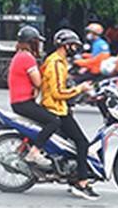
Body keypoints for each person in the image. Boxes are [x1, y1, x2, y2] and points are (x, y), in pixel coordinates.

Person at [41, 29, 99, 199]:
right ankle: (81, 183)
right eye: (73, 45)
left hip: (58, 107)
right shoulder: (56, 64)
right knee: (82, 143)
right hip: (56, 109)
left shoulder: (58, 61)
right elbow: (58, 92)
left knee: (72, 143)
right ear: (65, 45)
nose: (75, 48)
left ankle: (71, 175)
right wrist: (79, 89)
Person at [8, 24, 60, 168]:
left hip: (20, 102)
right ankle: (35, 151)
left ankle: (38, 148)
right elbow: (38, 81)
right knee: (54, 122)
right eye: (38, 42)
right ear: (32, 42)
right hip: (23, 103)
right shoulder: (27, 58)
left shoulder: (19, 56)